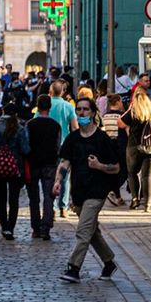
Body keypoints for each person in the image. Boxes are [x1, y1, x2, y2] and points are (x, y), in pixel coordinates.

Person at [57, 96, 122, 283]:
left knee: (83, 230)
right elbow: (65, 162)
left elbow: (116, 167)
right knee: (92, 231)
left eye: (86, 110)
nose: (82, 113)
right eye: (79, 110)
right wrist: (58, 180)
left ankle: (74, 268)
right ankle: (109, 262)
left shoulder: (102, 139)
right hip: (78, 192)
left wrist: (99, 166)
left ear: (93, 113)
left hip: (97, 191)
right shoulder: (73, 138)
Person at [0, 101, 30, 240]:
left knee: (1, 198)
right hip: (15, 168)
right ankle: (11, 228)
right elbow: (26, 150)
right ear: (16, 115)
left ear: (3, 112)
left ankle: (4, 227)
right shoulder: (20, 129)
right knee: (14, 199)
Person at [26, 95, 62, 241]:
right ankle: (45, 228)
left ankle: (35, 227)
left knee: (33, 198)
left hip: (33, 164)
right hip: (50, 164)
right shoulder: (55, 126)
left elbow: (26, 145)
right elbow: (58, 147)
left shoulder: (30, 124)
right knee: (49, 197)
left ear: (37, 106)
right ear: (49, 107)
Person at [122, 86, 151, 212]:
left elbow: (120, 122)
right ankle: (148, 205)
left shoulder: (133, 111)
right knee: (148, 175)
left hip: (134, 146)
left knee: (132, 173)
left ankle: (135, 199)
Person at [48, 80, 80, 219]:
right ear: (62, 92)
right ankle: (64, 207)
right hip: (65, 144)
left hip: (49, 145)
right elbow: (74, 127)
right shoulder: (68, 106)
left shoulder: (45, 105)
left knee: (52, 176)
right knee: (65, 177)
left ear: (51, 91)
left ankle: (53, 207)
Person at [102, 94, 126, 206]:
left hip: (107, 146)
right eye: (121, 102)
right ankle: (111, 190)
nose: (122, 104)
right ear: (117, 103)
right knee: (123, 171)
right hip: (119, 145)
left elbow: (103, 131)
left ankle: (117, 196)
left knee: (113, 171)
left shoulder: (105, 117)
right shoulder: (122, 116)